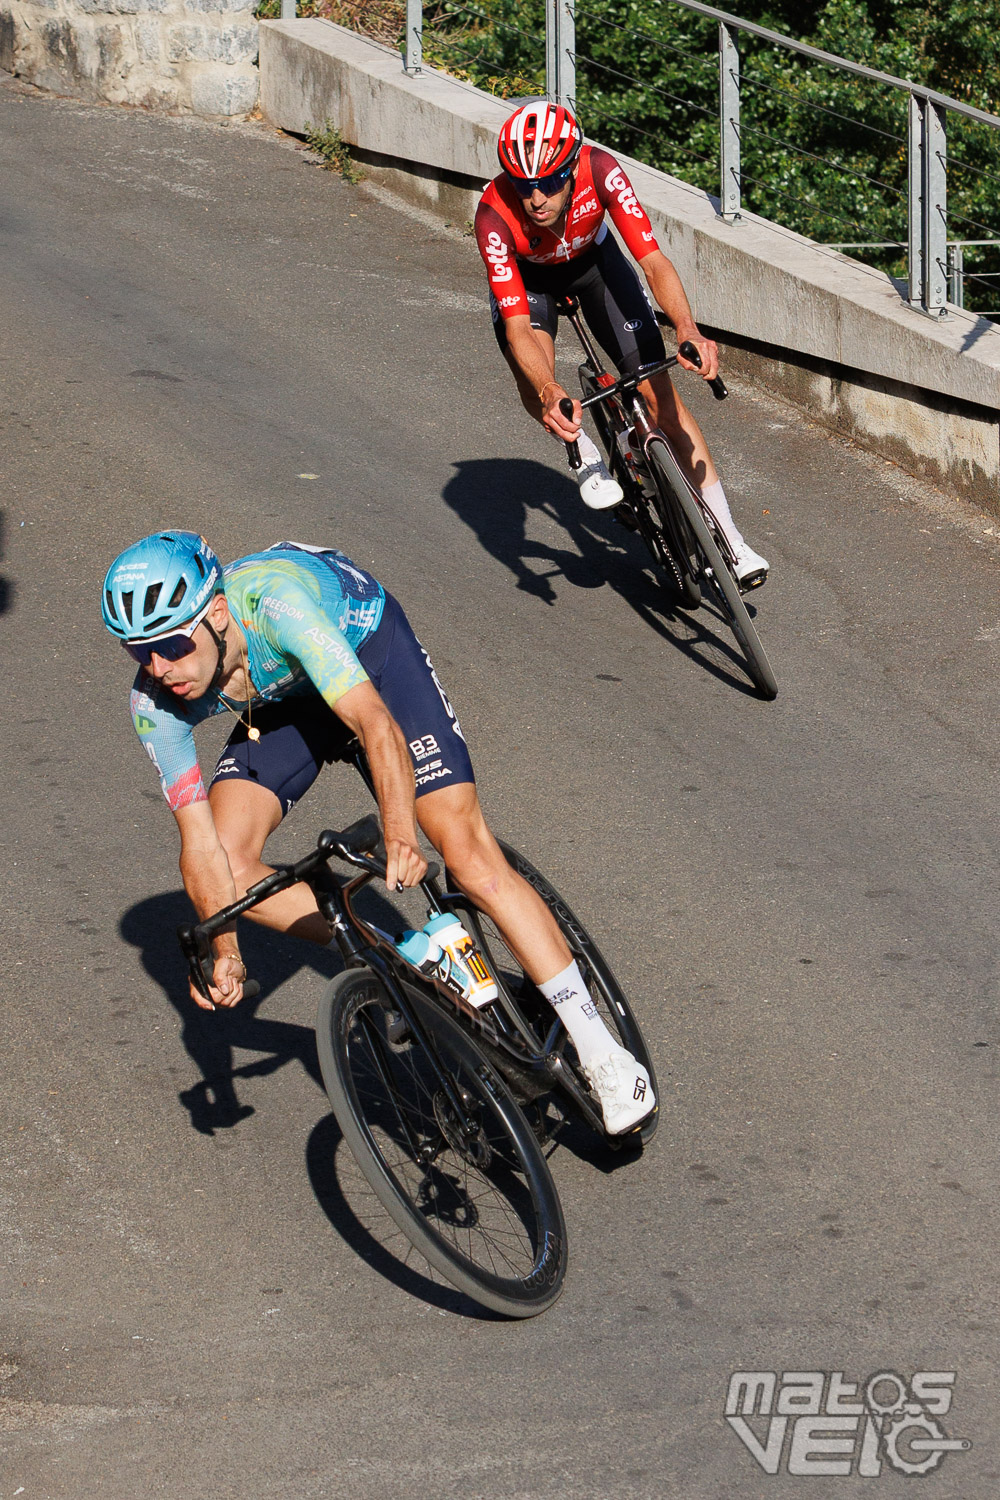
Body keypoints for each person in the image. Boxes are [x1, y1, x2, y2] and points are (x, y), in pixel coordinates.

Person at [102, 530, 656, 1135]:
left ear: (215, 613)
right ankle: (411, 957)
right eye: (139, 652)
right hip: (283, 703)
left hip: (367, 657)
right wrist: (227, 950)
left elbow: (376, 724)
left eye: (174, 645)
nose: (159, 668)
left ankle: (601, 1048)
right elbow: (200, 845)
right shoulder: (154, 703)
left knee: (465, 852)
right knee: (232, 870)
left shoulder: (277, 604)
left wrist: (400, 835)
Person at [475, 100, 769, 590]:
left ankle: (732, 544)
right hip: (530, 284)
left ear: (571, 168)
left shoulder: (603, 170)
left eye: (549, 182)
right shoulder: (494, 216)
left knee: (661, 398)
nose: (537, 198)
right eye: (525, 186)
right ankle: (584, 449)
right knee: (536, 380)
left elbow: (652, 261)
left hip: (594, 264)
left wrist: (688, 329)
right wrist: (549, 387)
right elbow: (518, 328)